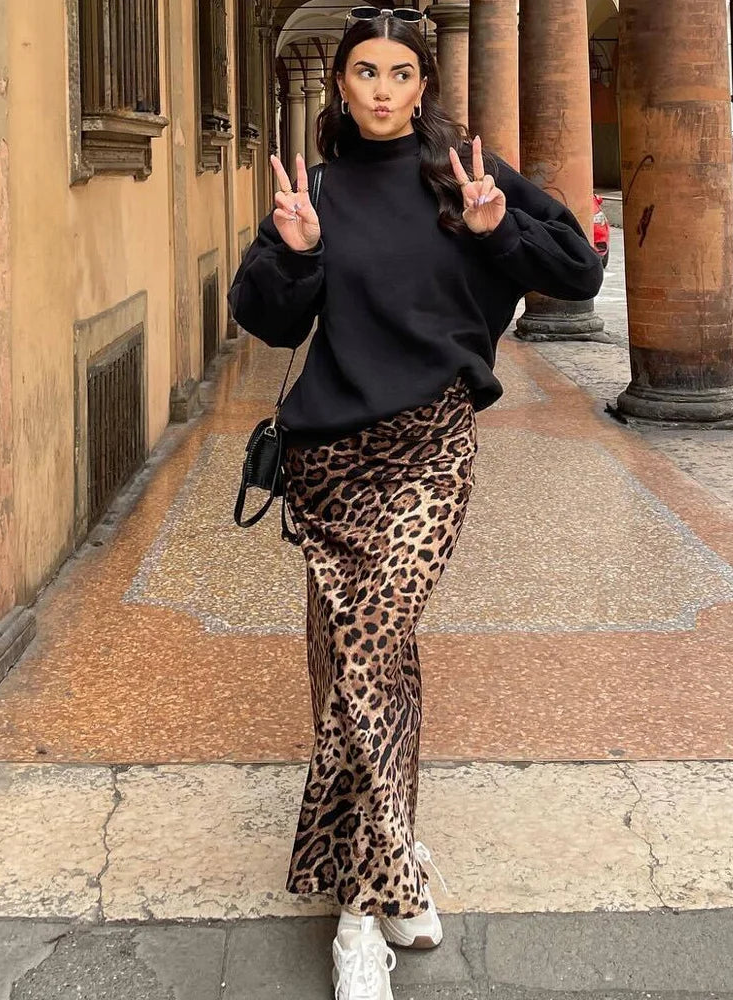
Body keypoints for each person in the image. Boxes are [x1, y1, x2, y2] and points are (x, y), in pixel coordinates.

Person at [227, 7, 604, 999]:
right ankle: (394, 851)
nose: (383, 90)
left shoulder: (463, 175)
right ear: (341, 85)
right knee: (360, 668)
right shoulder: (315, 190)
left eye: (401, 72)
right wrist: (296, 254)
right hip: (329, 461)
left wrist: (497, 228)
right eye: (366, 72)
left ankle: (360, 916)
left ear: (424, 84)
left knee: (370, 652)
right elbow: (265, 319)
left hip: (430, 451)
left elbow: (579, 270)